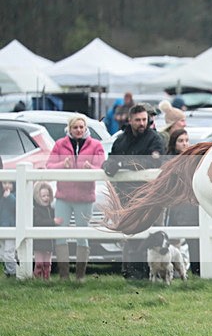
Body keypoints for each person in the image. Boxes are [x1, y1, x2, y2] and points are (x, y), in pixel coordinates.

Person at [103, 104, 165, 279]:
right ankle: (131, 273)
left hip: (149, 196)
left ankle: (152, 274)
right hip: (126, 196)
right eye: (138, 120)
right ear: (130, 120)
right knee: (129, 234)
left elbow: (153, 162)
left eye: (144, 119)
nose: (142, 123)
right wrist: (110, 166)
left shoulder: (155, 139)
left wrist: (122, 164)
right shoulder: (121, 140)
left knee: (151, 235)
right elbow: (111, 159)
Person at [45, 116, 106, 281]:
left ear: (85, 128)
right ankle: (64, 275)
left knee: (82, 235)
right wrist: (61, 165)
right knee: (60, 234)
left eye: (81, 127)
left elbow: (102, 167)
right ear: (69, 129)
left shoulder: (96, 145)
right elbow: (49, 166)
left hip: (85, 198)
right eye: (75, 127)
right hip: (63, 197)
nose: (79, 130)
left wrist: (90, 168)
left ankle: (80, 276)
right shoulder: (59, 144)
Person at [165, 128, 199, 275]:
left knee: (195, 240)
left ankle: (197, 271)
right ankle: (172, 271)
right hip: (175, 204)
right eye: (180, 141)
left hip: (191, 204)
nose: (185, 144)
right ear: (174, 143)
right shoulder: (168, 161)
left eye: (186, 140)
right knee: (174, 239)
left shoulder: (193, 159)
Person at [32, 182, 61, 280]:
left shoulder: (51, 210)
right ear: (37, 196)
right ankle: (36, 278)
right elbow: (38, 222)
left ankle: (46, 279)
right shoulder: (36, 210)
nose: (46, 198)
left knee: (47, 263)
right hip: (39, 241)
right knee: (39, 263)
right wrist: (52, 221)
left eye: (48, 195)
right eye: (43, 196)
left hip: (49, 241)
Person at [1, 180, 17, 277]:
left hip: (11, 227)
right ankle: (8, 271)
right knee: (3, 253)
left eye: (9, 183)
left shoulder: (15, 195)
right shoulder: (1, 196)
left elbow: (17, 206)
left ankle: (15, 271)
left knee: (8, 253)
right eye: (4, 183)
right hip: (2, 227)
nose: (7, 185)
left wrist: (9, 197)